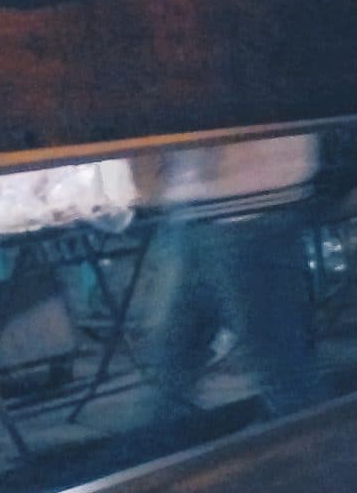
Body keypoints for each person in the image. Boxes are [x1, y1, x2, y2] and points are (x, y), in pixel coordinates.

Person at [132, 134, 323, 424]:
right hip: (215, 205)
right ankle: (162, 450)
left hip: (243, 203)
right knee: (174, 356)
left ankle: (317, 449)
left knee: (275, 363)